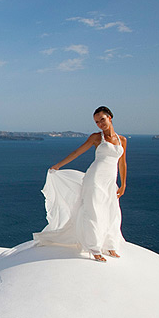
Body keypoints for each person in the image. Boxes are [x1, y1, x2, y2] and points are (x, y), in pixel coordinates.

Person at [33, 106, 127, 262]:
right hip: (95, 178)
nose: (100, 124)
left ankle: (110, 245)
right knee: (93, 211)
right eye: (97, 122)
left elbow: (122, 163)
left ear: (110, 117)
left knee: (112, 211)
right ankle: (94, 248)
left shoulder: (122, 140)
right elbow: (77, 152)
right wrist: (58, 165)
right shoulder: (96, 138)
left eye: (102, 120)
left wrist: (123, 184)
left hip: (110, 181)